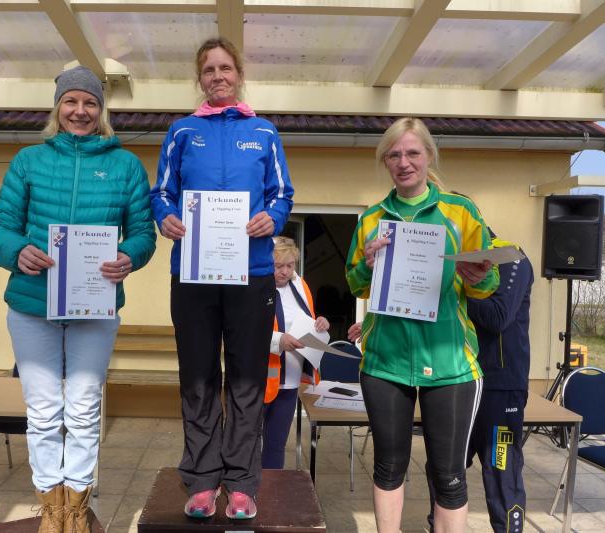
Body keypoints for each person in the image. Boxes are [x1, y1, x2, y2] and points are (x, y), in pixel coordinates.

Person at [0, 65, 156, 533]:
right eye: (71, 101)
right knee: (43, 412)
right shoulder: (28, 160)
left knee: (83, 410)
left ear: (101, 111)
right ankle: (51, 509)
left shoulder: (125, 165)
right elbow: (1, 227)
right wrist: (16, 251)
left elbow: (143, 233)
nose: (80, 111)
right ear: (57, 107)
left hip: (94, 306)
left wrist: (128, 256)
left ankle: (77, 508)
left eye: (90, 103)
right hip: (32, 306)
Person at [149, 36, 293, 520]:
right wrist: (165, 217)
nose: (218, 76)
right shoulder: (182, 131)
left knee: (247, 379)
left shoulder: (264, 132)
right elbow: (161, 192)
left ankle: (242, 482)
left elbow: (282, 194)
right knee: (198, 377)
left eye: (225, 68)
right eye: (209, 70)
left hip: (252, 273)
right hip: (193, 274)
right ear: (200, 78)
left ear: (239, 75)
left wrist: (273, 218)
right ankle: (202, 479)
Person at [345, 117, 498, 533]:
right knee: (388, 466)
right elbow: (355, 284)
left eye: (412, 153)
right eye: (394, 155)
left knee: (449, 477)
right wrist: (368, 265)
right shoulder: (371, 219)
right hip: (385, 362)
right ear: (385, 162)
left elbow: (488, 283)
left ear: (429, 156)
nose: (404, 162)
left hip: (450, 366)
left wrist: (479, 276)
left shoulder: (460, 212)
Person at [426, 229, 533, 533]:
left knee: (501, 472)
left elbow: (499, 316)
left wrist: (449, 297)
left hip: (501, 386)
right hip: (458, 380)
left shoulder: (511, 257)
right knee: (442, 469)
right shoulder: (452, 263)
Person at [262, 236, 329, 469]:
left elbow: (308, 320)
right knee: (247, 442)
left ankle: (272, 487)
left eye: (290, 265)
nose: (285, 272)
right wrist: (279, 340)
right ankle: (245, 487)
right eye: (278, 266)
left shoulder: (300, 285)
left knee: (276, 444)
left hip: (290, 380)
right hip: (259, 379)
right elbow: (246, 331)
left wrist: (321, 323)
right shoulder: (256, 285)